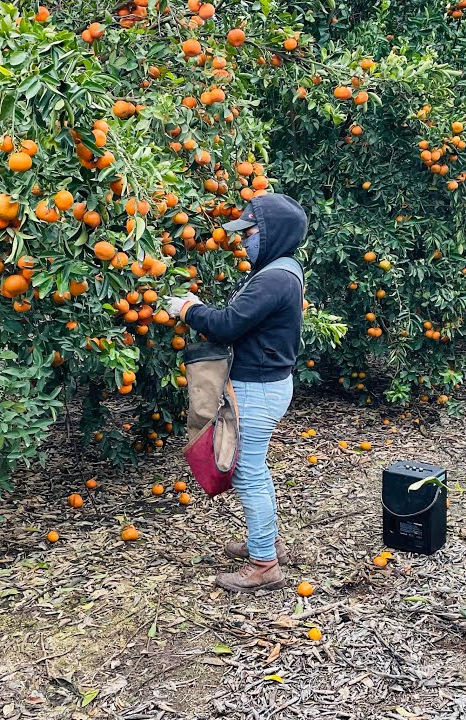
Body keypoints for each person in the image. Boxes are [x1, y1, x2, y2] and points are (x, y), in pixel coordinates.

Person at [166, 194, 307, 592]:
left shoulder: (275, 277)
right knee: (253, 470)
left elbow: (228, 325)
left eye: (251, 231)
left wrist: (188, 309)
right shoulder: (283, 269)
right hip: (263, 383)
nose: (244, 240)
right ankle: (267, 542)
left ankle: (264, 565)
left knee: (247, 472)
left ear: (274, 232)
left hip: (259, 389)